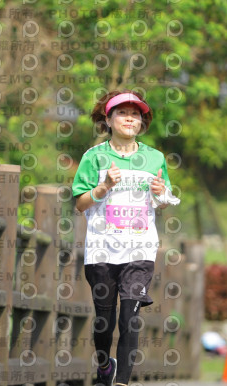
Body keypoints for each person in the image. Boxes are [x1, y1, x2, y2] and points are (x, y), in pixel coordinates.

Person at [72, 90, 180, 386]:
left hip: (139, 249)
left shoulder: (155, 157)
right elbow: (80, 203)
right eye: (122, 112)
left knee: (130, 317)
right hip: (102, 250)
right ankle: (105, 365)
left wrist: (161, 193)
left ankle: (121, 382)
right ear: (108, 119)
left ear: (142, 122)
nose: (129, 117)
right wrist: (104, 186)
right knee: (104, 322)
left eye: (136, 113)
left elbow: (165, 196)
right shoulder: (93, 157)